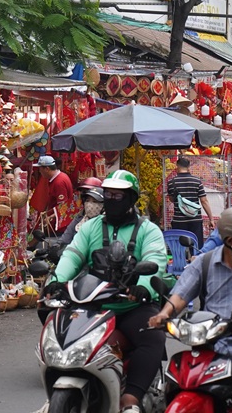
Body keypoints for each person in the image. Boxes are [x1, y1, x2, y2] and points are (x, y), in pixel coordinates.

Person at [47, 170, 168, 413]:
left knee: (152, 336)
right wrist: (57, 280)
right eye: (108, 194)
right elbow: (73, 254)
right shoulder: (90, 227)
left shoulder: (148, 230)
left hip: (131, 304)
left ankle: (131, 398)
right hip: (93, 304)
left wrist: (142, 287)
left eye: (118, 195)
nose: (112, 199)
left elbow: (156, 258)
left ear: (131, 199)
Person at [150, 207, 232, 413]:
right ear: (231, 241)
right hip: (211, 340)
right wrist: (164, 314)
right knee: (177, 380)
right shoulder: (205, 263)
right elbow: (180, 295)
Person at [166, 156, 212, 249]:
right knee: (196, 246)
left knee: (179, 248)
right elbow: (204, 201)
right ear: (188, 166)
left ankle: (181, 262)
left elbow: (171, 199)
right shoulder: (197, 181)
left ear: (177, 166)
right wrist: (211, 219)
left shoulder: (171, 182)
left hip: (179, 220)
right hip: (195, 220)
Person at [36, 155, 74, 235]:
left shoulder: (59, 182)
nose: (39, 171)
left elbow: (63, 206)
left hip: (60, 227)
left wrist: (50, 217)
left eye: (40, 169)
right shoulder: (61, 177)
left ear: (47, 169)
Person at [60, 178, 104, 245]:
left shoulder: (107, 221)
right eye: (87, 199)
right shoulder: (80, 218)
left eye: (94, 200)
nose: (89, 204)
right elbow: (64, 239)